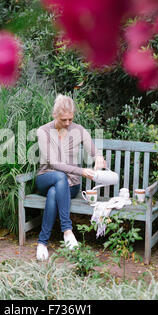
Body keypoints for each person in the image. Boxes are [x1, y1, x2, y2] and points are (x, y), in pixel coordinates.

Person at [35, 94, 106, 261]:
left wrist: (99, 158)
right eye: (63, 119)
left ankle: (42, 242)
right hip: (46, 178)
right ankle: (67, 230)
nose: (68, 123)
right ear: (55, 115)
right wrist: (81, 171)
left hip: (70, 185)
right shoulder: (43, 131)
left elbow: (95, 152)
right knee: (59, 177)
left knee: (55, 192)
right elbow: (52, 163)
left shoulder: (79, 130)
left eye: (70, 119)